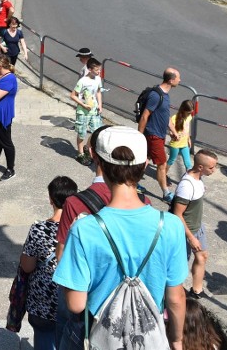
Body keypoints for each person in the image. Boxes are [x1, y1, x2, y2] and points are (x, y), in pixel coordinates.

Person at [52, 130, 187, 350]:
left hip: (100, 338)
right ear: (144, 166)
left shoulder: (84, 229)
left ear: (99, 164)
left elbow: (76, 305)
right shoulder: (170, 225)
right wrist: (177, 340)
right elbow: (176, 298)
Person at [20, 176, 78, 350]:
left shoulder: (38, 230)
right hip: (71, 297)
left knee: (44, 339)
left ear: (51, 199)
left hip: (42, 300)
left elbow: (27, 266)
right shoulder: (81, 229)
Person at [171, 150, 219, 299]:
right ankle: (174, 296)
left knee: (202, 256)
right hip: (185, 232)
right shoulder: (187, 186)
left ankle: (197, 291)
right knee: (179, 266)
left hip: (197, 227)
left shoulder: (198, 179)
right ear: (200, 167)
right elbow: (177, 214)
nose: (214, 170)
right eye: (211, 167)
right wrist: (191, 237)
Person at [137, 67, 182, 202]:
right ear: (171, 80)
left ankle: (132, 182)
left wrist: (173, 131)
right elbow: (145, 116)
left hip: (159, 135)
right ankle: (166, 193)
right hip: (153, 135)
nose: (180, 80)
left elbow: (165, 115)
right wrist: (139, 136)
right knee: (162, 164)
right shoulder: (156, 95)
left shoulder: (165, 94)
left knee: (146, 159)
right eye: (178, 77)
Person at [70, 58, 103, 165]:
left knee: (97, 132)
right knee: (81, 133)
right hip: (83, 112)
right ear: (89, 69)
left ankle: (88, 147)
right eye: (97, 70)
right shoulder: (82, 81)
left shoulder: (98, 79)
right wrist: (83, 104)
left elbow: (98, 92)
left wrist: (100, 105)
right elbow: (73, 95)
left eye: (99, 70)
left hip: (94, 111)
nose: (99, 72)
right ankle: (80, 154)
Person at [167, 100, 195, 179]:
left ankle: (190, 178)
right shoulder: (174, 118)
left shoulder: (189, 117)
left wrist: (188, 138)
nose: (190, 114)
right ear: (183, 110)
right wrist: (173, 134)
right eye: (189, 112)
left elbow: (187, 128)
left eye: (191, 112)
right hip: (175, 144)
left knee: (188, 163)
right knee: (171, 160)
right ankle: (163, 175)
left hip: (184, 143)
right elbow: (170, 131)